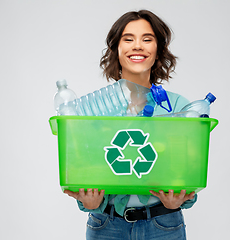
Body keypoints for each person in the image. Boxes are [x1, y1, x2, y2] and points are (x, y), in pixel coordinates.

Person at [64, 10, 197, 240]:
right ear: (117, 49)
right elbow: (84, 166)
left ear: (158, 51)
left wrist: (183, 197)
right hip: (106, 225)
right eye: (128, 39)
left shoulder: (178, 107)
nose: (138, 46)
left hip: (163, 225)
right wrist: (88, 201)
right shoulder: (94, 110)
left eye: (147, 39)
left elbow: (188, 170)